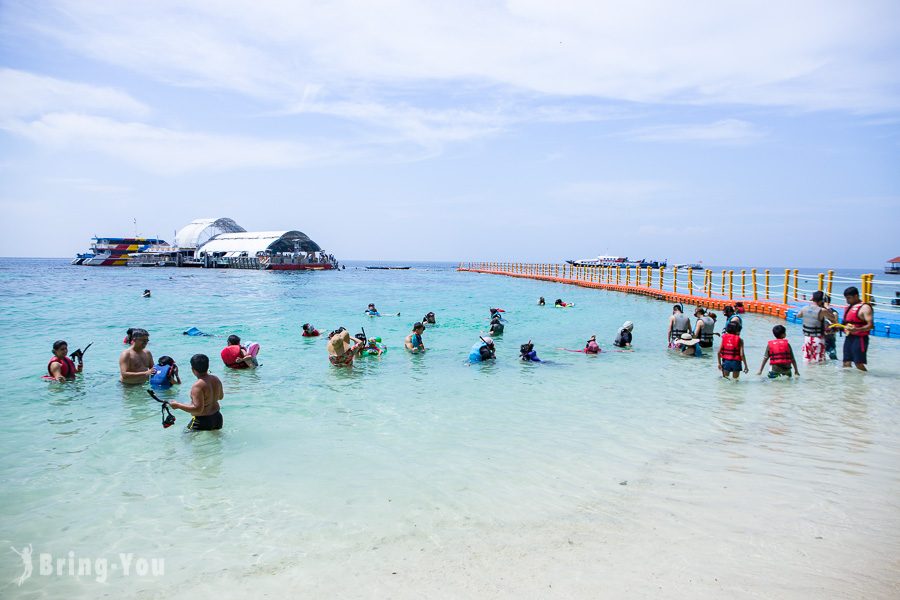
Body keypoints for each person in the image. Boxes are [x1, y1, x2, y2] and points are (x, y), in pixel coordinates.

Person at [169, 354, 223, 431]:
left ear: (192, 369)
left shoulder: (197, 386)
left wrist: (177, 405)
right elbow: (220, 397)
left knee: (186, 439)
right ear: (207, 366)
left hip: (202, 421)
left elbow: (198, 409)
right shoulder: (216, 379)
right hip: (217, 417)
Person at [797, 291, 837, 363]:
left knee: (807, 361)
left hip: (807, 339)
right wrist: (827, 307)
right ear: (822, 300)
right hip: (818, 339)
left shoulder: (804, 308)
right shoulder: (822, 310)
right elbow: (833, 318)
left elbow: (798, 315)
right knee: (819, 362)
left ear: (812, 299)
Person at [841, 286, 874, 371]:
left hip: (860, 339)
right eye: (846, 298)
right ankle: (848, 383)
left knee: (858, 363)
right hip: (849, 337)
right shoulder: (848, 307)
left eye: (849, 298)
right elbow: (845, 322)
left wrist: (857, 330)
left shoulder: (865, 308)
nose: (847, 300)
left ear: (856, 296)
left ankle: (864, 380)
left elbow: (870, 325)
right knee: (846, 362)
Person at [822, 294, 840, 361]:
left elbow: (837, 328)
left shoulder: (834, 313)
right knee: (820, 359)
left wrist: (830, 331)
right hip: (819, 338)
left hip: (830, 339)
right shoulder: (819, 311)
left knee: (833, 358)